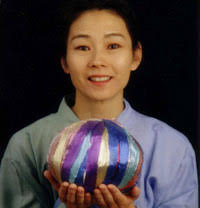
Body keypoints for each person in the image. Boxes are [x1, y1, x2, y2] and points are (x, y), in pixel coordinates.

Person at [0, 0, 198, 207]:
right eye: (82, 47)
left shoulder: (172, 146)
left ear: (135, 56)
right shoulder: (26, 145)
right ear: (65, 61)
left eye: (113, 46)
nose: (97, 61)